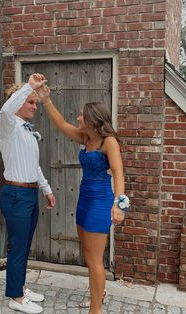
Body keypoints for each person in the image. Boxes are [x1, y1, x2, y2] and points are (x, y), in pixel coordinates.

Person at [37, 83, 129, 314]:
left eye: (81, 115)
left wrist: (119, 205)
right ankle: (100, 293)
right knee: (88, 256)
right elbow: (60, 124)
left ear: (93, 120)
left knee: (95, 259)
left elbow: (118, 174)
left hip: (100, 203)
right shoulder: (85, 139)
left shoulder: (109, 142)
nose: (78, 118)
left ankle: (95, 310)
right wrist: (46, 99)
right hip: (84, 201)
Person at [0, 74, 55, 314]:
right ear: (18, 102)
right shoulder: (8, 125)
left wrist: (47, 189)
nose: (34, 106)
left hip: (30, 194)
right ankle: (16, 297)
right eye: (30, 102)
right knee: (18, 246)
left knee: (24, 245)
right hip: (15, 194)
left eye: (34, 102)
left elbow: (34, 165)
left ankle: (18, 285)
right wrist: (29, 86)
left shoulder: (27, 130)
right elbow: (5, 110)